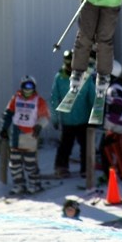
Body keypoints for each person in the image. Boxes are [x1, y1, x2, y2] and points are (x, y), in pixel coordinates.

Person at [0, 75, 50, 195]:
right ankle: (18, 184)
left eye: (30, 86)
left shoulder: (39, 100)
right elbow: (8, 114)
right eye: (25, 86)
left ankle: (34, 184)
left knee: (29, 163)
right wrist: (3, 129)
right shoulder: (15, 99)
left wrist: (39, 125)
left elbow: (45, 117)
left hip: (30, 134)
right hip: (16, 133)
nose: (28, 89)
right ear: (21, 87)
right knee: (15, 163)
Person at [50, 50, 95, 178]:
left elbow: (92, 96)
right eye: (68, 65)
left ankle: (86, 168)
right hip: (68, 119)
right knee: (65, 144)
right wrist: (55, 118)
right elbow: (54, 98)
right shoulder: (60, 77)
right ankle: (61, 166)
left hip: (83, 118)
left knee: (86, 145)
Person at [101, 61, 122, 180]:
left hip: (116, 125)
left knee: (105, 150)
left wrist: (108, 127)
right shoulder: (115, 86)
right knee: (114, 149)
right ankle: (121, 172)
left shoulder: (114, 89)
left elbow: (117, 109)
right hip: (117, 124)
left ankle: (110, 176)